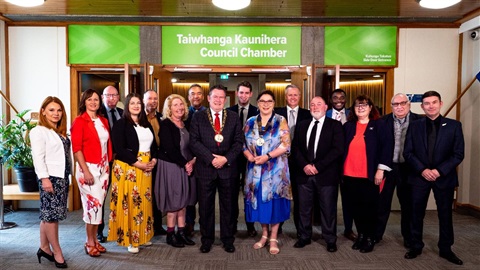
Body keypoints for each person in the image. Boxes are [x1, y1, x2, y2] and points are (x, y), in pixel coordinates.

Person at [403, 91, 464, 265]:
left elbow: (458, 154)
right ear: (422, 106)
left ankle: (446, 249)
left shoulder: (454, 126)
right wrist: (422, 170)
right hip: (418, 177)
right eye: (427, 103)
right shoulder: (414, 126)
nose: (430, 106)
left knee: (445, 214)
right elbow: (408, 152)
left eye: (434, 102)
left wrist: (439, 171)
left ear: (440, 103)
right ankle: (416, 246)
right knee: (416, 214)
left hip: (443, 178)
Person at [189, 84, 244, 254]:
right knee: (205, 207)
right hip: (206, 168)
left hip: (228, 169)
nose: (219, 100)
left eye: (222, 97)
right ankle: (207, 240)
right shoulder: (198, 117)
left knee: (229, 206)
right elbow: (194, 142)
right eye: (215, 97)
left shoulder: (234, 117)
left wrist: (226, 159)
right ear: (209, 98)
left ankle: (228, 239)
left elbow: (238, 142)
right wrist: (212, 159)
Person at [291, 96, 344, 252]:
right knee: (303, 208)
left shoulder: (335, 125)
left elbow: (337, 150)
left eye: (318, 104)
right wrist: (305, 165)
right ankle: (304, 236)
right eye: (312, 104)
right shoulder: (302, 125)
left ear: (326, 107)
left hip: (326, 175)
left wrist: (317, 166)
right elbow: (296, 149)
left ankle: (330, 239)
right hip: (304, 174)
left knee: (328, 209)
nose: (315, 107)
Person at [107, 93, 158, 254]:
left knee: (144, 202)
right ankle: (130, 240)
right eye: (132, 103)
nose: (136, 106)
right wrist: (139, 164)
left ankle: (142, 235)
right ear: (127, 106)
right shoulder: (121, 124)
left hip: (146, 168)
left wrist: (153, 161)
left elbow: (154, 146)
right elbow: (120, 149)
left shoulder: (146, 123)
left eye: (138, 103)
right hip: (128, 168)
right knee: (130, 203)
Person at [244, 90, 292, 255]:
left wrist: (267, 156)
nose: (265, 104)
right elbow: (243, 143)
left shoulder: (281, 120)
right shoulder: (250, 121)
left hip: (276, 171)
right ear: (257, 103)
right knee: (261, 204)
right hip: (255, 171)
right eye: (262, 101)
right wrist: (249, 155)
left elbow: (286, 145)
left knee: (275, 204)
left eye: (269, 101)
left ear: (273, 103)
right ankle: (264, 234)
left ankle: (273, 237)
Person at [343, 94, 392, 253]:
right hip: (349, 174)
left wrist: (380, 170)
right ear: (353, 109)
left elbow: (387, 148)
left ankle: (370, 237)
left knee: (370, 209)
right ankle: (361, 236)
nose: (361, 108)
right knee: (355, 208)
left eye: (364, 105)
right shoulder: (348, 126)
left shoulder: (379, 125)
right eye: (357, 105)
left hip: (369, 175)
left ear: (371, 108)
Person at [71, 89, 112, 257]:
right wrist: (86, 171)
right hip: (87, 168)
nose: (93, 102)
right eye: (90, 99)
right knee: (92, 206)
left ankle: (95, 240)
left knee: (99, 205)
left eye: (96, 99)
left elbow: (106, 145)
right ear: (84, 102)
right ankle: (89, 241)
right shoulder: (79, 121)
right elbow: (77, 149)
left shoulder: (103, 120)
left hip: (103, 169)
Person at [30, 96, 70, 268]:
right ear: (43, 111)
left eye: (59, 110)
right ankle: (57, 251)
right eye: (52, 110)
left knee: (48, 214)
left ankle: (44, 247)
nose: (56, 113)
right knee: (52, 218)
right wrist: (44, 178)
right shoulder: (38, 131)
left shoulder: (59, 131)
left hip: (61, 177)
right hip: (50, 178)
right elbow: (38, 157)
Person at [375, 93, 420, 246]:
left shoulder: (420, 121)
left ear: (409, 104)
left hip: (409, 169)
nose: (399, 107)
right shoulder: (382, 121)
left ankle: (408, 237)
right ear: (391, 106)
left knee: (408, 205)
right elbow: (378, 146)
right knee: (382, 204)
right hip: (387, 168)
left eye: (403, 103)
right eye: (395, 104)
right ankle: (377, 235)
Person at [155, 94, 197, 248]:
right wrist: (185, 163)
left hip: (185, 165)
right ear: (169, 109)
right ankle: (170, 234)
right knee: (174, 202)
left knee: (183, 202)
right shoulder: (166, 124)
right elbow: (169, 149)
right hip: (172, 166)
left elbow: (190, 146)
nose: (179, 107)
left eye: (181, 104)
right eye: (175, 105)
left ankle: (181, 232)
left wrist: (192, 160)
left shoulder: (185, 124)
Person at [275, 84, 310, 235]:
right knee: (280, 195)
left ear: (300, 96)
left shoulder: (308, 114)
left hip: (300, 162)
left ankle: (300, 230)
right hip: (279, 161)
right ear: (285, 96)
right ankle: (278, 227)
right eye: (290, 95)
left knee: (300, 198)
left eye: (296, 95)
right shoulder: (277, 113)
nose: (293, 98)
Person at [227, 80, 258, 237]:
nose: (244, 95)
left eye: (247, 93)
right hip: (232, 159)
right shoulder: (228, 111)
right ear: (237, 93)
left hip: (251, 160)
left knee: (249, 194)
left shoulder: (258, 112)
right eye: (241, 92)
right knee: (231, 194)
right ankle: (232, 225)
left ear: (251, 94)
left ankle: (250, 225)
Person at [326, 88, 356, 242]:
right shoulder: (325, 114)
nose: (339, 100)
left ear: (346, 99)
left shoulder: (353, 114)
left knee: (348, 199)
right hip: (328, 164)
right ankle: (329, 229)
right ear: (330, 100)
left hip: (348, 163)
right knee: (329, 198)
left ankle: (348, 228)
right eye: (335, 97)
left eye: (342, 97)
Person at [97, 85, 123, 243]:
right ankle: (99, 231)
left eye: (114, 95)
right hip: (103, 162)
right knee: (101, 196)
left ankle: (120, 228)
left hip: (121, 162)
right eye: (108, 95)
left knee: (120, 197)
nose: (111, 98)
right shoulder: (98, 114)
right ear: (103, 97)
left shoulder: (122, 113)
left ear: (118, 97)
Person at [143, 89, 167, 236]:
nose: (153, 101)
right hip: (145, 161)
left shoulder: (161, 117)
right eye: (150, 99)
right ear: (144, 101)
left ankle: (158, 225)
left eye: (155, 99)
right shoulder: (138, 118)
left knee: (157, 193)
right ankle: (146, 224)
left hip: (160, 160)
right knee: (146, 193)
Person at [184, 83, 206, 236]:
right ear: (189, 97)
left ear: (203, 97)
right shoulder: (183, 114)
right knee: (188, 195)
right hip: (186, 160)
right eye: (193, 93)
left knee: (203, 196)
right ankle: (189, 224)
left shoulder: (208, 114)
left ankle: (204, 225)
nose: (196, 96)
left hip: (204, 160)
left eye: (199, 93)